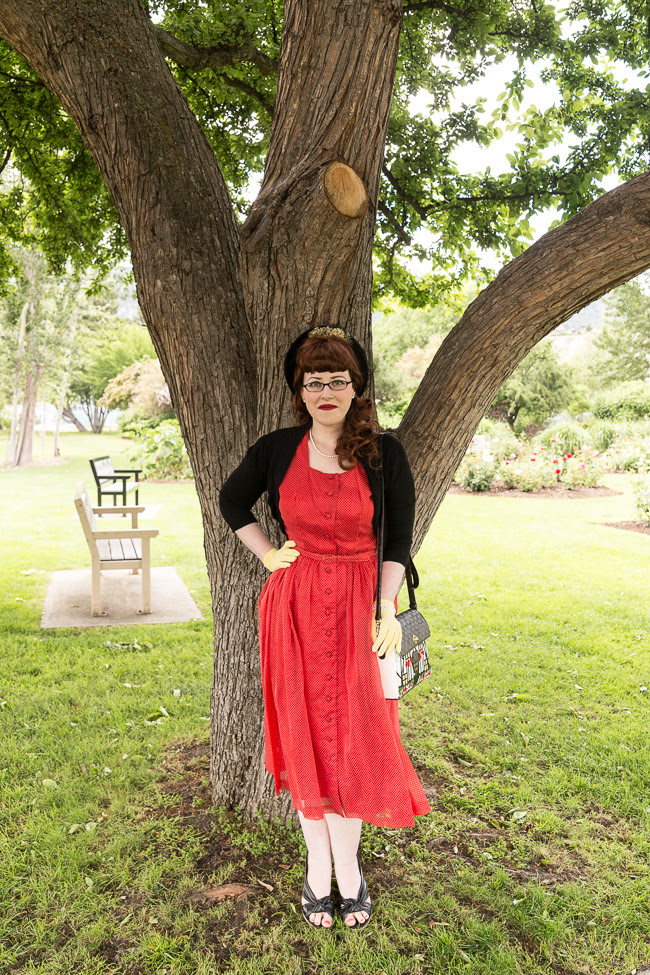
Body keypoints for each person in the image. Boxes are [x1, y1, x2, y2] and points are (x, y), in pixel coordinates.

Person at [219, 325, 431, 930]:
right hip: (296, 608)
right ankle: (319, 867)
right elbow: (231, 502)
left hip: (363, 608)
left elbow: (398, 537)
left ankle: (350, 866)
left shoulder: (384, 454)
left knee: (358, 736)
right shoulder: (276, 449)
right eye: (314, 382)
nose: (326, 392)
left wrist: (386, 606)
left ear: (355, 387)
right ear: (300, 391)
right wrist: (267, 554)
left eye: (338, 380)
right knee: (307, 732)